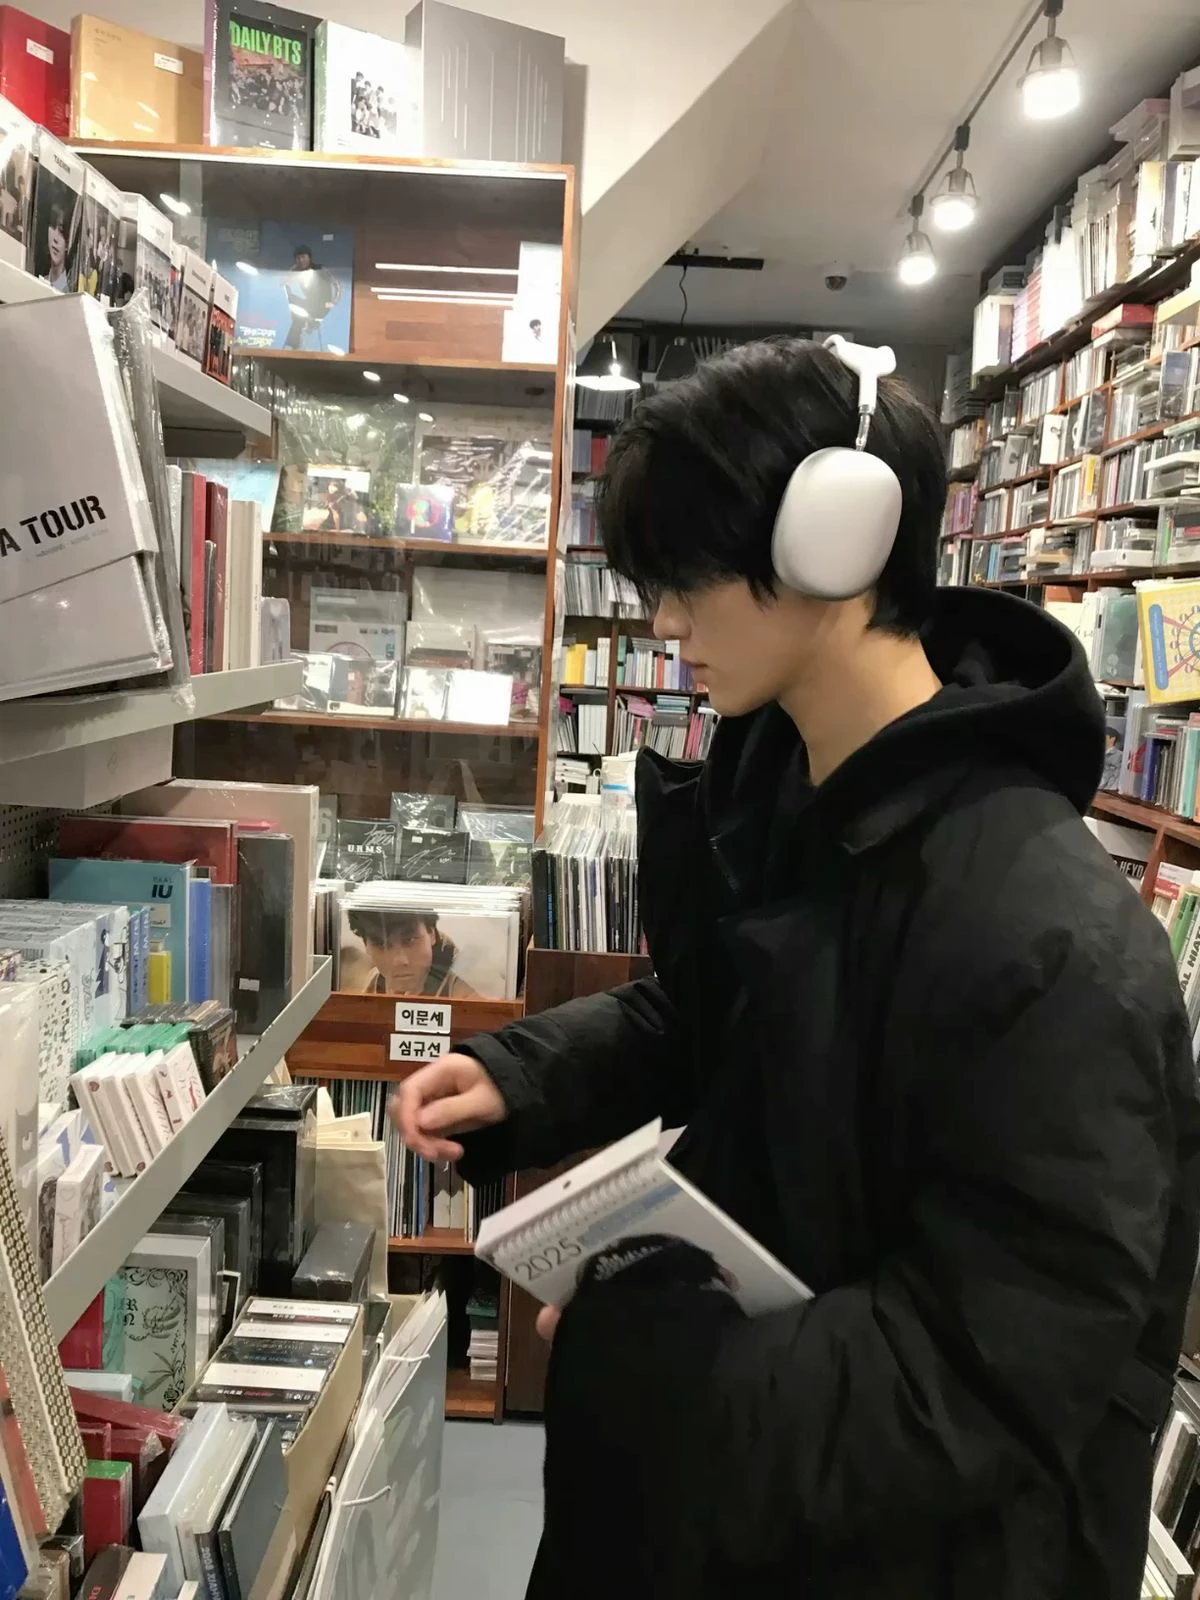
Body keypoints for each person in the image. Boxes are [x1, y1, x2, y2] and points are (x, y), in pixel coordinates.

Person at [393, 336, 1200, 1600]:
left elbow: (982, 1376)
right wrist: (531, 1074)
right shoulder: (794, 800)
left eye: (690, 578)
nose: (664, 623)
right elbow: (737, 1017)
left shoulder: (1051, 942)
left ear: (837, 542)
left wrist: (652, 1362)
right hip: (739, 1506)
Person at [347, 907, 480, 998]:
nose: (399, 961)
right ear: (366, 946)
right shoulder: (374, 982)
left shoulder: (465, 988)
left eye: (410, 940)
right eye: (381, 945)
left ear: (432, 934)